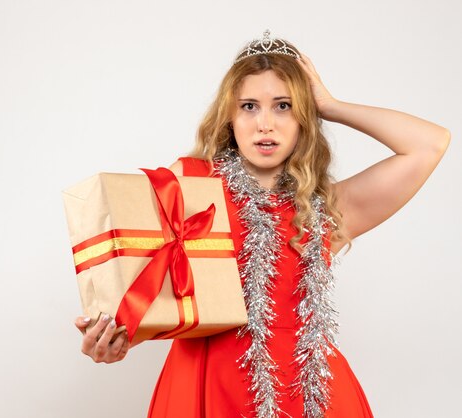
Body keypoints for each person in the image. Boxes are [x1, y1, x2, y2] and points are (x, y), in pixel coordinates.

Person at [73, 30, 450, 417]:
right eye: (249, 106)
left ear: (305, 116)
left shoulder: (324, 208)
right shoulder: (191, 182)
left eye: (284, 106)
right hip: (205, 387)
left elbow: (429, 144)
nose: (265, 124)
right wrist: (116, 338)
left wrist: (331, 105)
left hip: (310, 391)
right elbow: (146, 282)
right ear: (229, 117)